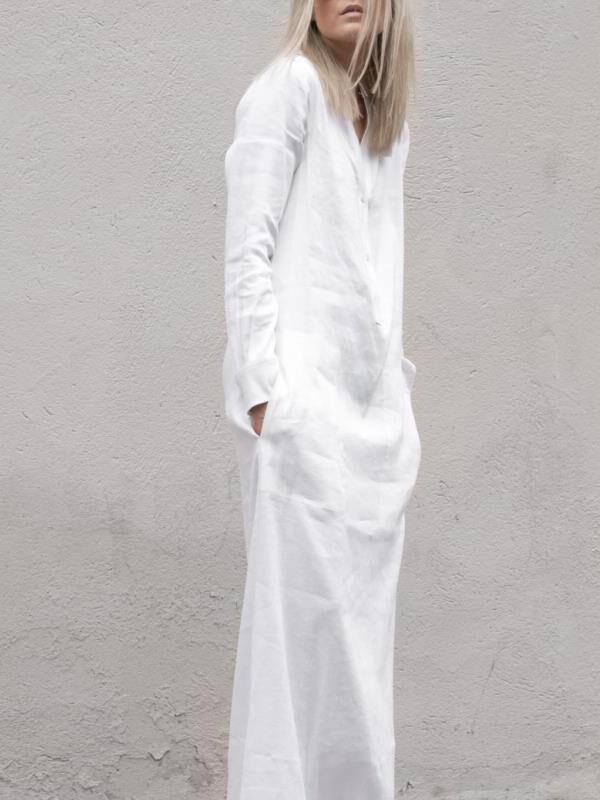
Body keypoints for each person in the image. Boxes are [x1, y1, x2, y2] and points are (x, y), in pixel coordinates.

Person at [221, 1, 421, 797]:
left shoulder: (386, 125)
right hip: (304, 426)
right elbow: (247, 248)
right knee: (292, 662)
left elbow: (378, 276)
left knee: (359, 674)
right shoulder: (288, 88)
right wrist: (266, 397)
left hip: (373, 439)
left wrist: (396, 404)